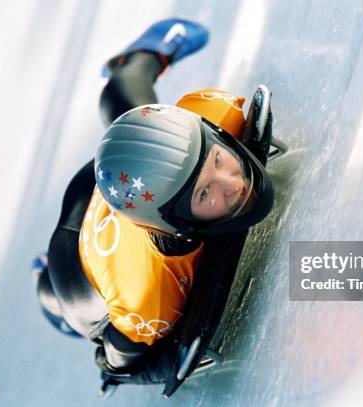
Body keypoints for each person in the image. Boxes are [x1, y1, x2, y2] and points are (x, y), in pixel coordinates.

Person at [33, 18, 274, 381]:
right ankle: (42, 275)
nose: (232, 184)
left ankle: (137, 62)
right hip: (79, 268)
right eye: (205, 193)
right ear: (174, 221)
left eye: (220, 160)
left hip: (116, 184)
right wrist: (121, 367)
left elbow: (180, 140)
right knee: (65, 308)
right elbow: (120, 357)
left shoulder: (212, 111)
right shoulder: (146, 297)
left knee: (143, 125)